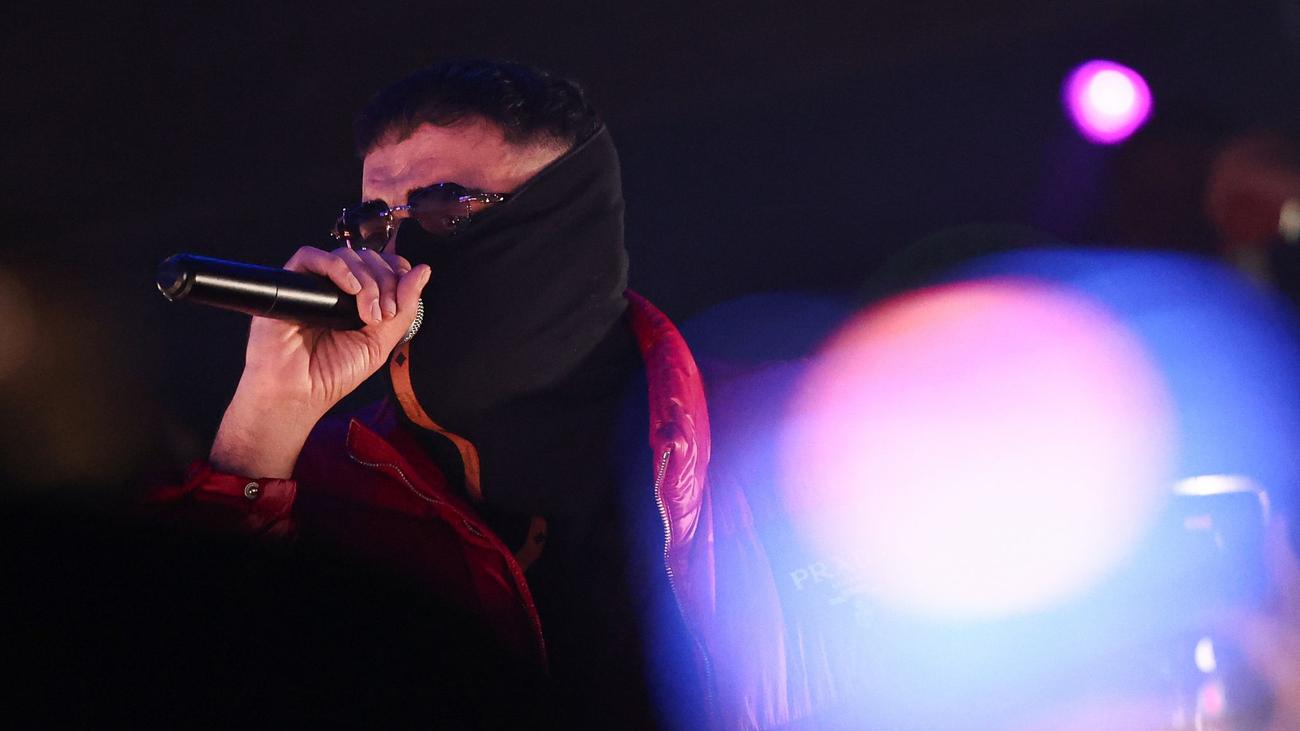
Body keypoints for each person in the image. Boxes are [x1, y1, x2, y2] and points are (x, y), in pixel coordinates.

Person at [151, 59, 744, 728]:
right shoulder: (321, 491)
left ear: (566, 221)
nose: (394, 258)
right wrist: (264, 417)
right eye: (374, 225)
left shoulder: (780, 435)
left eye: (442, 210)